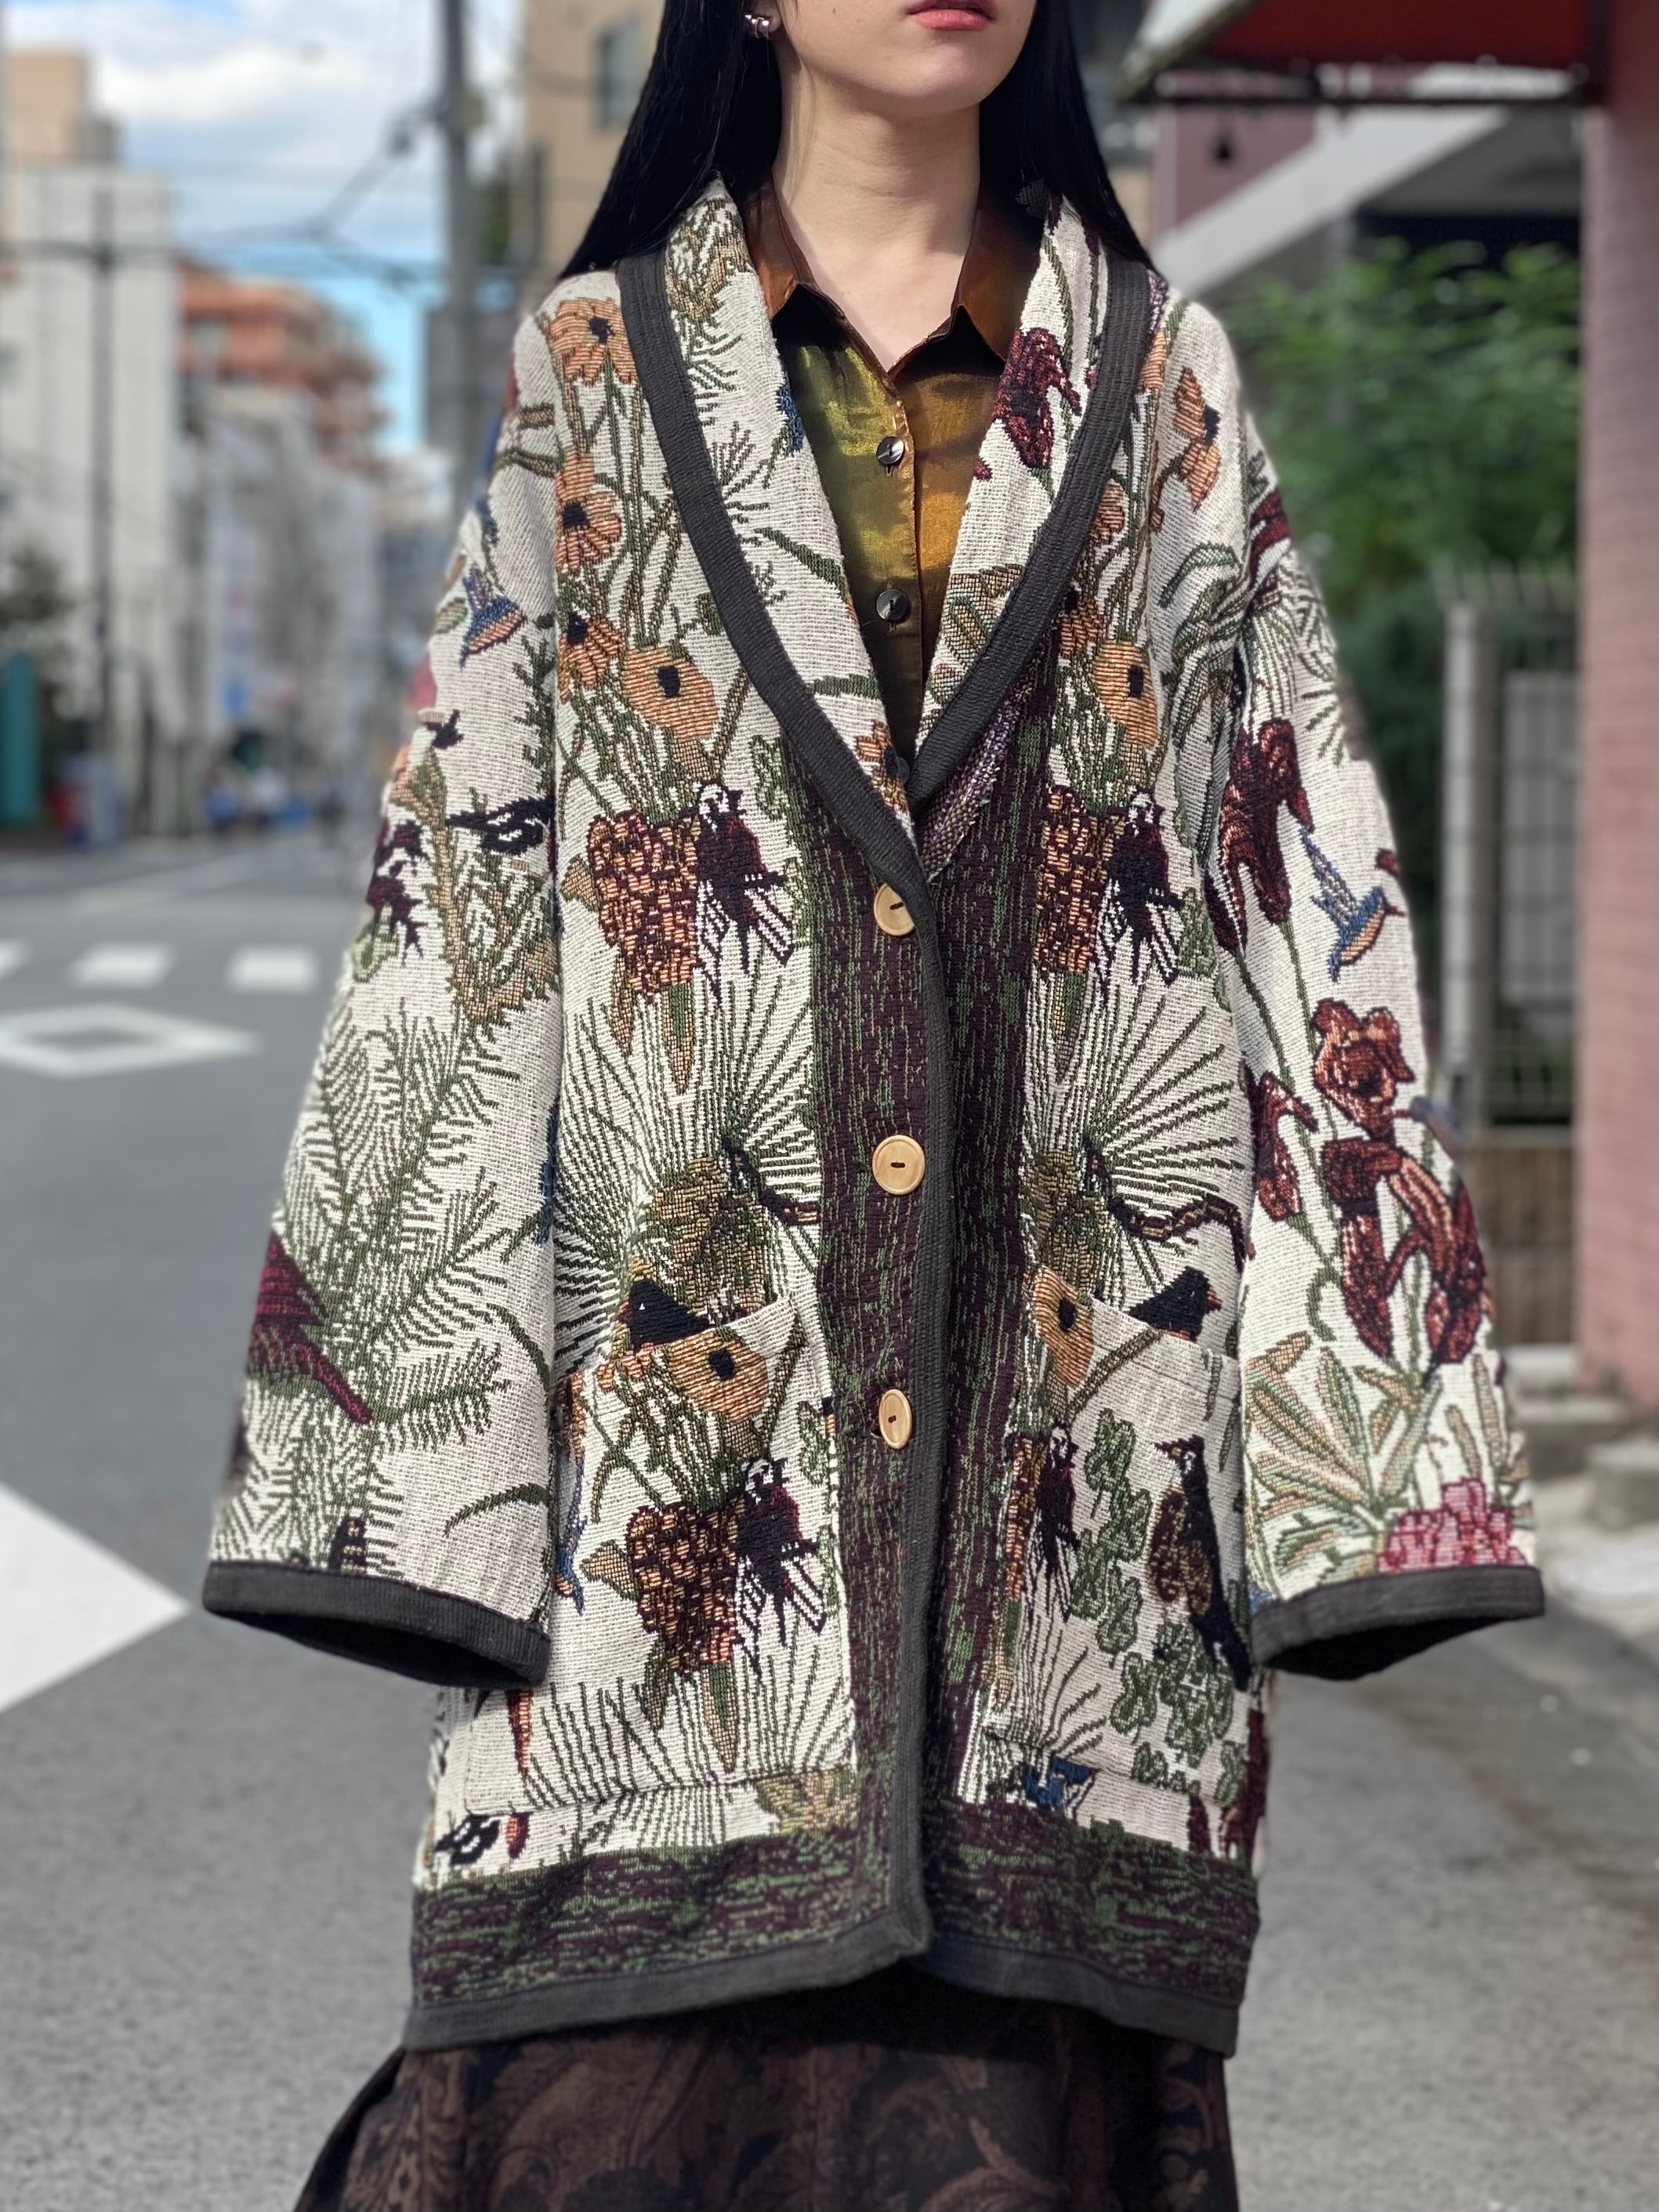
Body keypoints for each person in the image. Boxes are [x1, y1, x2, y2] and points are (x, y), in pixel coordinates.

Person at [201, 0, 1545, 2204]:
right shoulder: (595, 375)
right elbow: (466, 906)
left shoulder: (1163, 384)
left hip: (1075, 1493)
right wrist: (418, 1476)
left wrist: (1369, 1465)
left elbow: (1308, 891)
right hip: (674, 1487)